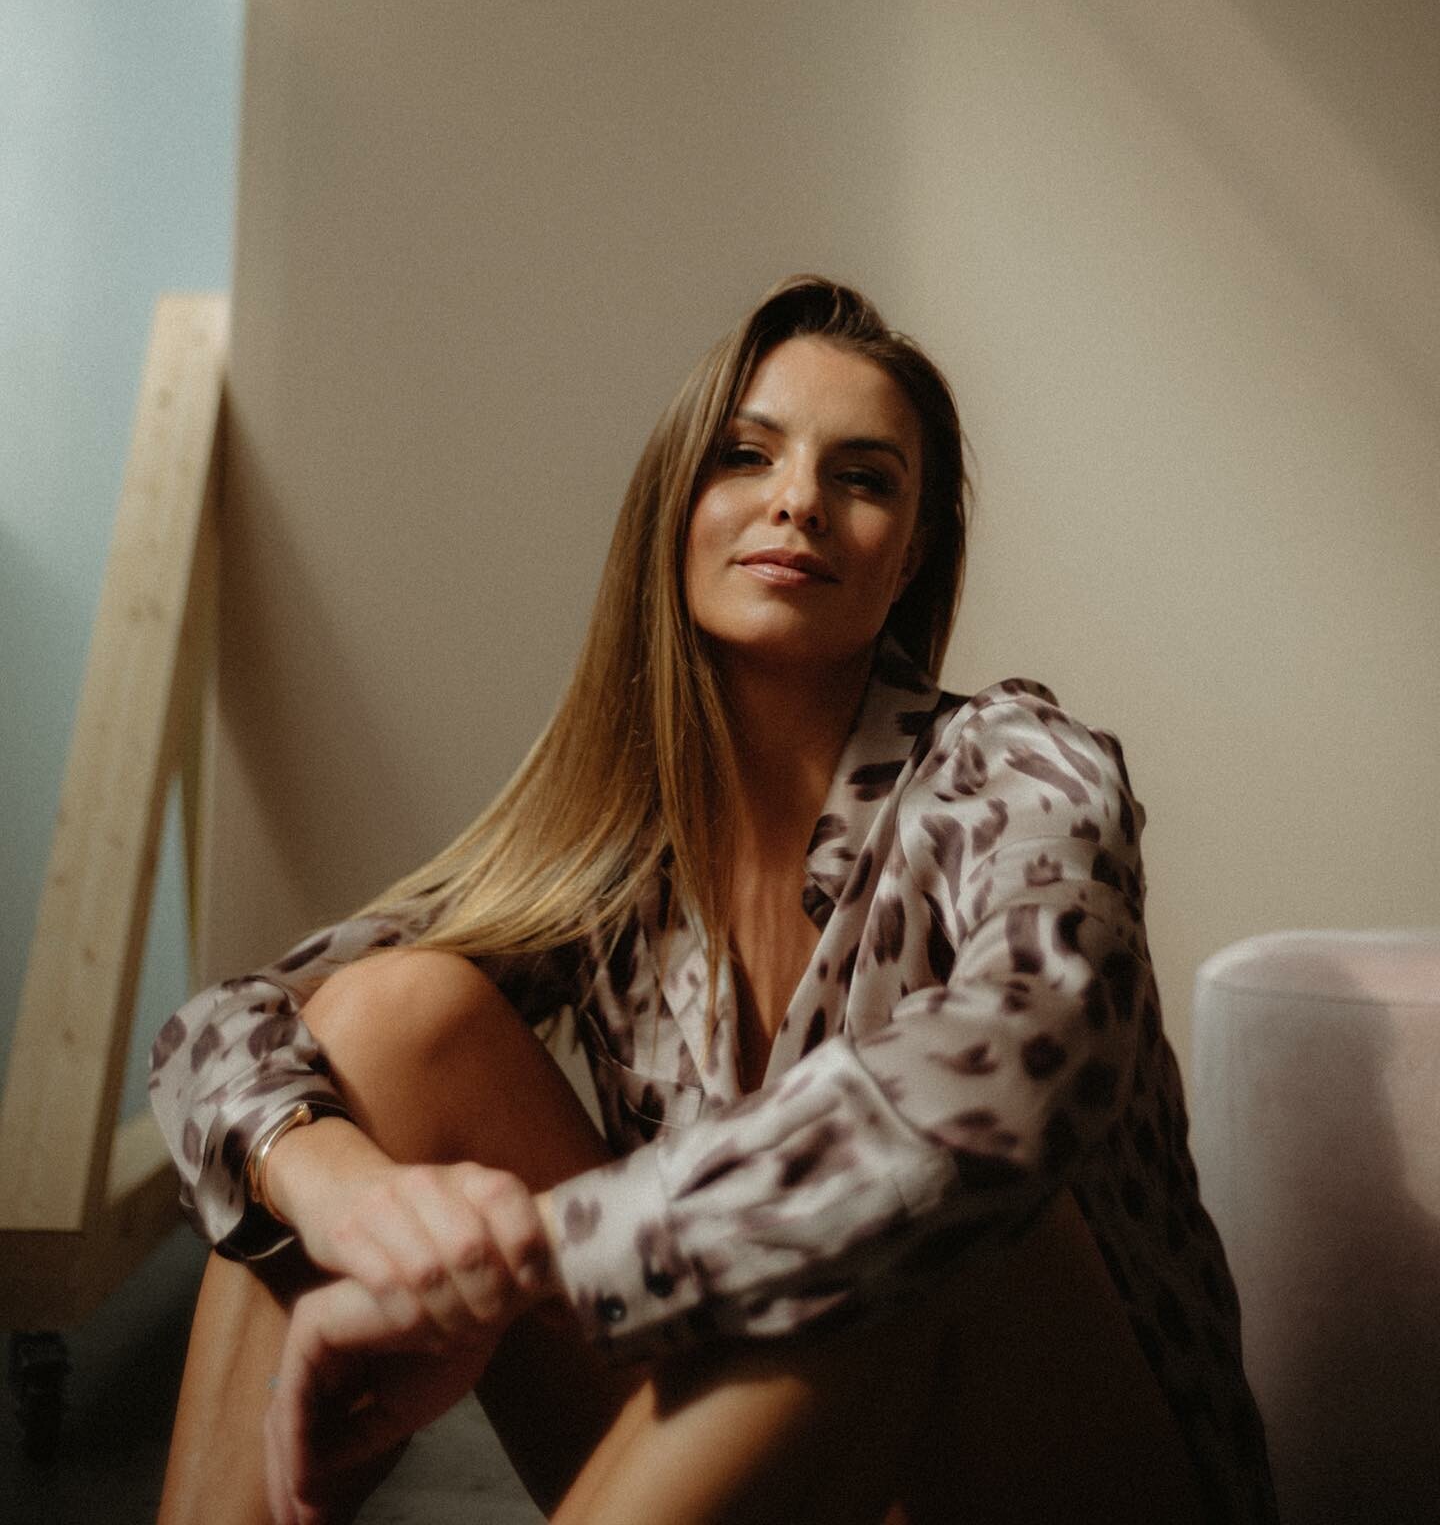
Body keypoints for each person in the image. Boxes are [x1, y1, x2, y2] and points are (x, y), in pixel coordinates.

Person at [149, 274, 1277, 1524]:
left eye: (864, 478)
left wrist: (539, 1256)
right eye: (747, 455)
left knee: (905, 1205)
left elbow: (1019, 1063)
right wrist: (349, 1199)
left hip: (1053, 1473)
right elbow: (218, 1033)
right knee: (383, 1019)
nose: (799, 500)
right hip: (748, 1480)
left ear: (910, 555)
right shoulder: (615, 845)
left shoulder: (1019, 768)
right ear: (676, 506)